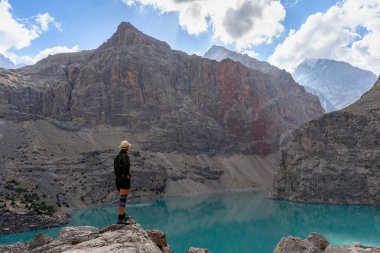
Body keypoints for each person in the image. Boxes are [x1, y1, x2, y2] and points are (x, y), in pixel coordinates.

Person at [114, 140, 132, 224]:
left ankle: (123, 214)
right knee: (123, 200)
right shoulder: (125, 156)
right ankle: (120, 218)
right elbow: (126, 168)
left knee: (121, 198)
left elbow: (116, 169)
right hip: (124, 180)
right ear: (127, 148)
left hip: (117, 180)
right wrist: (128, 176)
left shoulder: (117, 157)